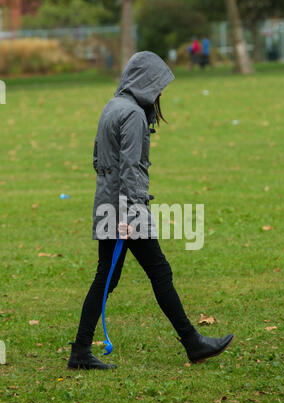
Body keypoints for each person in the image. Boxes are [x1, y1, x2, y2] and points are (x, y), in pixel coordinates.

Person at [67, 51, 234, 370]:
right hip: (125, 212)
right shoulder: (132, 114)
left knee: (107, 277)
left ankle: (80, 351)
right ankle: (193, 343)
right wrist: (131, 212)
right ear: (145, 82)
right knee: (158, 271)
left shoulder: (112, 105)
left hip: (108, 205)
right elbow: (131, 168)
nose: (159, 94)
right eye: (158, 85)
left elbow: (97, 159)